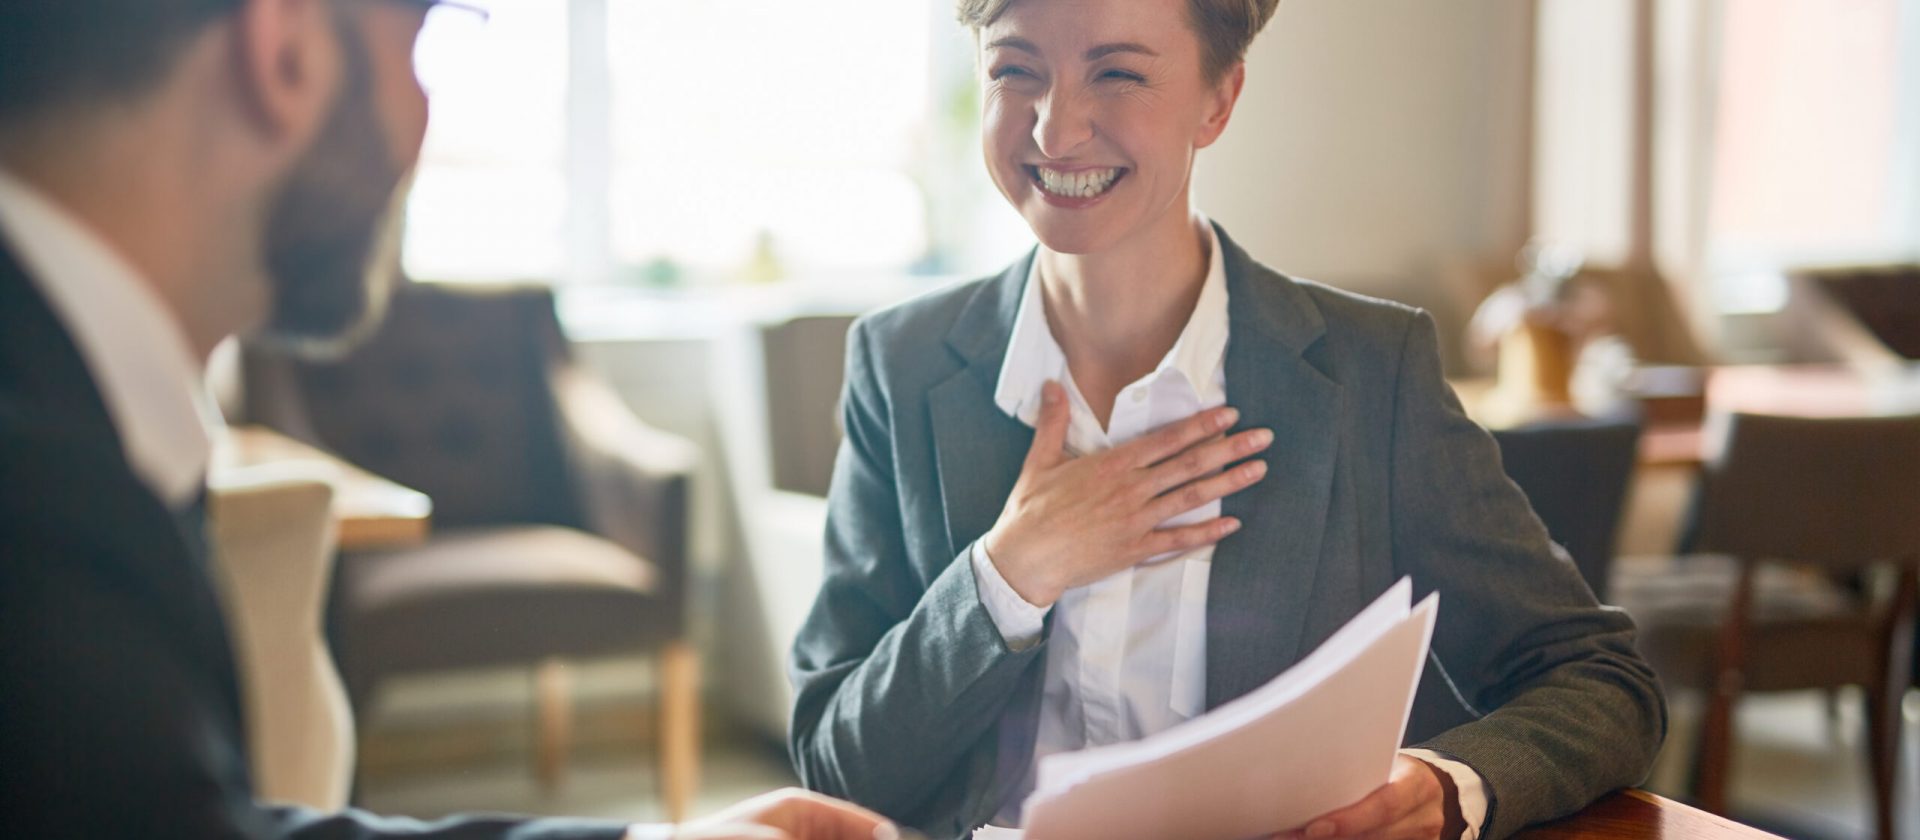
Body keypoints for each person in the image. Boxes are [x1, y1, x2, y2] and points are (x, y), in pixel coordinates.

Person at [0, 2, 894, 838]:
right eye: (416, 45)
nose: (425, 117)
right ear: (286, 53)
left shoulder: (74, 417)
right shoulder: (46, 500)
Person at [786, 1, 1667, 838]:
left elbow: (1602, 682)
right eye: (1015, 69)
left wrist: (1443, 786)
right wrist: (1009, 574)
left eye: (1118, 74)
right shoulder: (899, 365)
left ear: (1220, 98)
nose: (1054, 130)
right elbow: (839, 772)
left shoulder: (1371, 372)